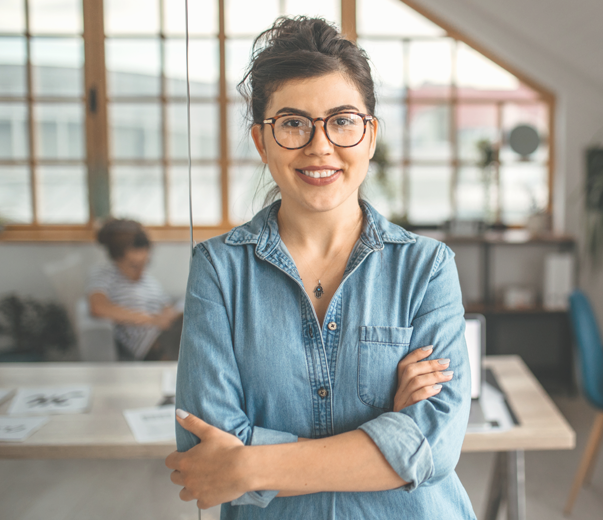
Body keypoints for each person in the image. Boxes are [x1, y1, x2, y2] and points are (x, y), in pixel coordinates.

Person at [165, 16, 475, 519]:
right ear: (262, 142)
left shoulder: (427, 267)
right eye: (292, 123)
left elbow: (434, 447)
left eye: (343, 120)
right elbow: (206, 455)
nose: (320, 145)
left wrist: (249, 465)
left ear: (370, 136)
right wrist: (389, 433)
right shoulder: (218, 271)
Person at [87, 219, 183, 361]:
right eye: (133, 265)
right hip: (151, 344)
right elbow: (98, 307)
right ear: (117, 258)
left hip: (168, 332)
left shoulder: (148, 280)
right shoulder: (105, 275)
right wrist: (151, 320)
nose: (140, 271)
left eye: (145, 263)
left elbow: (166, 305)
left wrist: (169, 314)